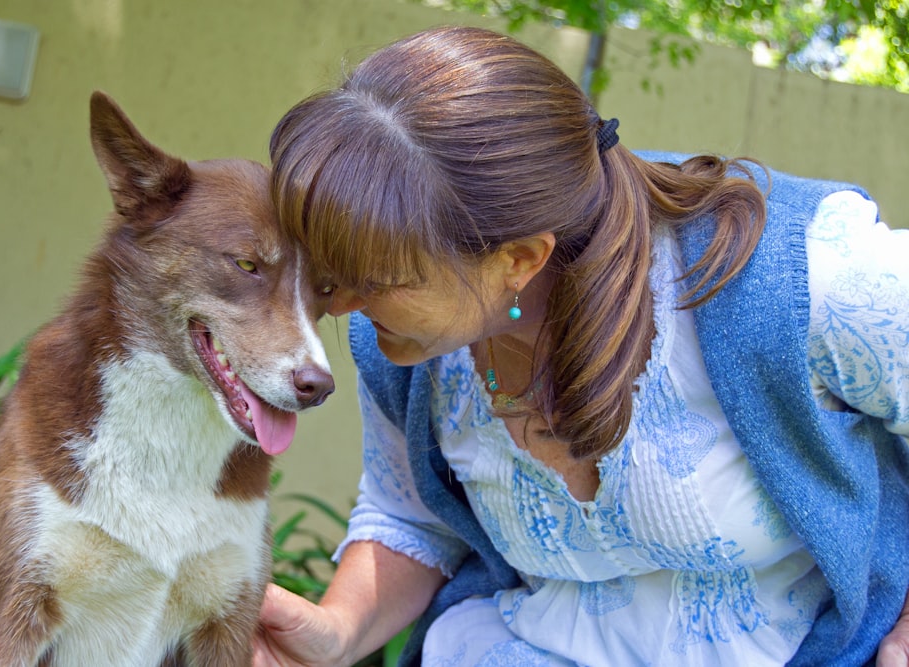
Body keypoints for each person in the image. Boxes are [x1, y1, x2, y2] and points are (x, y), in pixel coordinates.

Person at [254, 25, 909, 667]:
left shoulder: (797, 279)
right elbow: (414, 517)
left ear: (519, 259)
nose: (335, 307)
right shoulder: (411, 348)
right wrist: (336, 632)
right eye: (330, 271)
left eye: (377, 280)